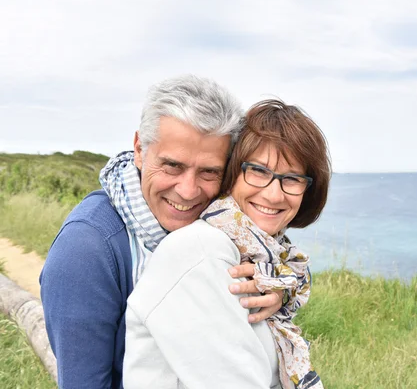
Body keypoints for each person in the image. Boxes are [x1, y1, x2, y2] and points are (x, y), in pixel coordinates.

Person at [39, 75, 284, 389]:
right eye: (172, 166)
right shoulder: (86, 250)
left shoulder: (222, 228)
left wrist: (274, 295)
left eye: (209, 171)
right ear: (140, 149)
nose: (188, 190)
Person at [123, 99, 331, 388]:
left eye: (292, 178)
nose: (273, 195)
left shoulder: (262, 261)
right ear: (232, 172)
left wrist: (280, 292)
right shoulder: (201, 252)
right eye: (258, 171)